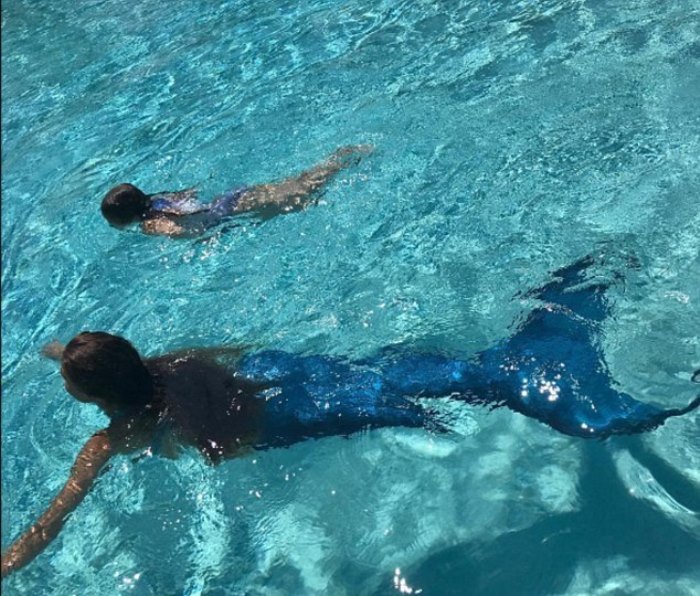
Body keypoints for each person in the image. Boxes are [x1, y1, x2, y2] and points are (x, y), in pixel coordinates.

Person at [2, 255, 698, 578]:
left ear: (92, 397)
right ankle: (549, 331)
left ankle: (551, 381)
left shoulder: (115, 437)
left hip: (287, 418)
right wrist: (61, 351)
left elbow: (54, 517)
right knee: (402, 375)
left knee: (417, 399)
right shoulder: (173, 361)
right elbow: (121, 360)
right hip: (283, 373)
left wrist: (7, 564)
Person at [100, 145, 372, 237]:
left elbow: (186, 231)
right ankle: (341, 159)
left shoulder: (150, 224)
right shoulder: (159, 199)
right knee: (299, 185)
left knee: (303, 192)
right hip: (231, 198)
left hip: (232, 211)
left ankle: (346, 158)